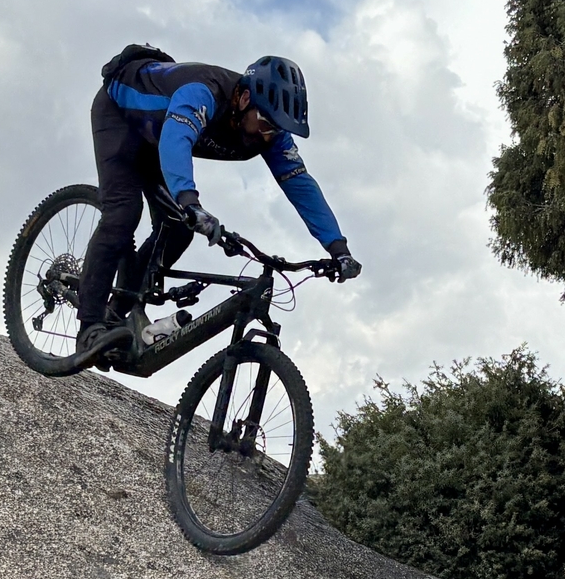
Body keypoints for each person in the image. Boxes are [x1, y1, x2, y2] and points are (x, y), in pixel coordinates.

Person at [75, 45, 360, 352]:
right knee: (123, 213)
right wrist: (190, 203)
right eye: (265, 125)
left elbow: (300, 185)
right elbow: (176, 139)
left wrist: (338, 249)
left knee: (179, 228)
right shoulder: (203, 92)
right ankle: (90, 326)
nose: (268, 136)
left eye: (276, 131)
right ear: (245, 99)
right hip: (120, 114)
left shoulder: (271, 131)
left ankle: (116, 312)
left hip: (157, 135)